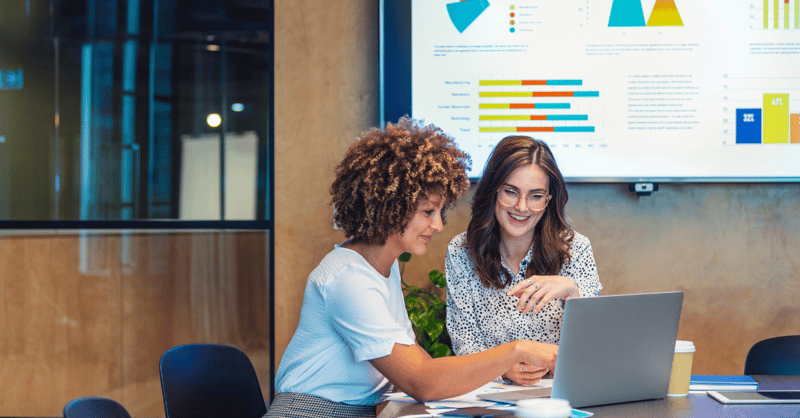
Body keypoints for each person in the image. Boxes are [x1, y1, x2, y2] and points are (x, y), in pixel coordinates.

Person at [266, 119, 558, 418]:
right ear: (392, 206)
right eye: (428, 211)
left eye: (440, 212)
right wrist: (517, 350)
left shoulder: (382, 267)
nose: (438, 225)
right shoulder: (349, 279)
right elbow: (421, 381)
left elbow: (418, 363)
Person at [445, 135, 602, 386]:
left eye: (535, 196)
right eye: (510, 192)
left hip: (558, 394)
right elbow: (465, 341)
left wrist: (572, 290)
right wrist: (503, 370)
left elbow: (594, 343)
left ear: (548, 200)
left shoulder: (576, 248)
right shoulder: (461, 251)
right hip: (488, 396)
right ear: (493, 191)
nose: (521, 207)